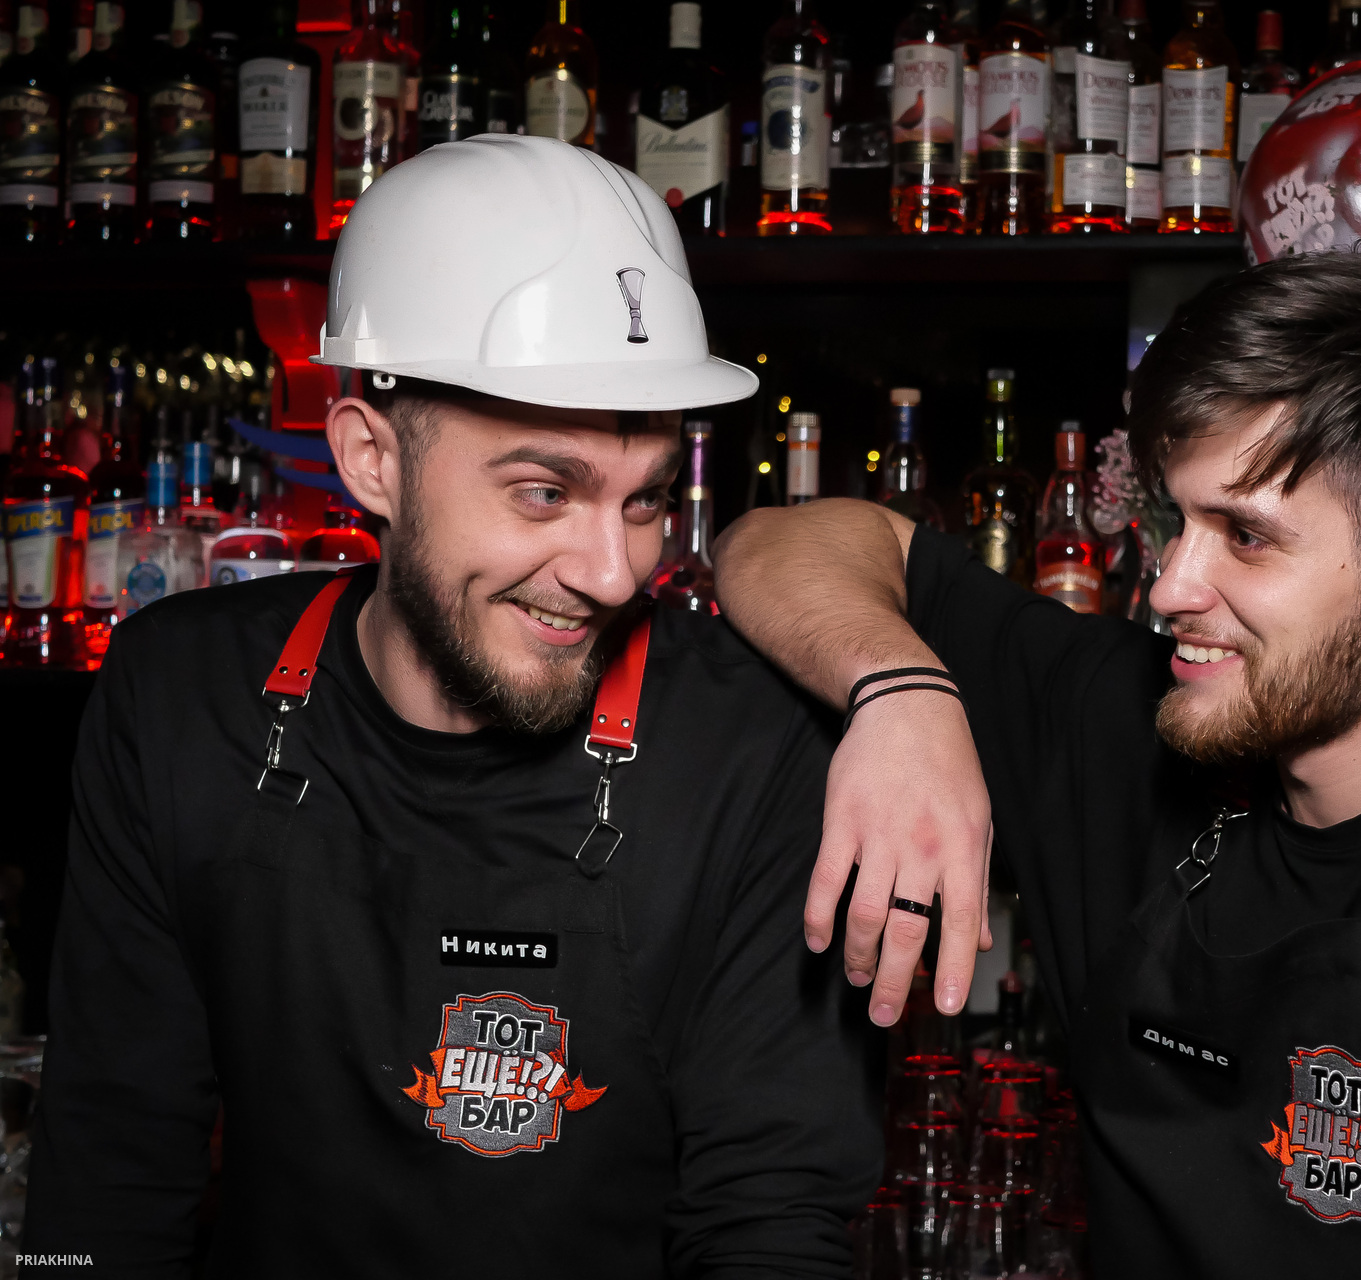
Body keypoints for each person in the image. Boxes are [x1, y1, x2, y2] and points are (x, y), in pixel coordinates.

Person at [713, 251, 1361, 1274]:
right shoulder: (1131, 719)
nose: (1171, 586)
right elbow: (781, 542)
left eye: (1247, 536)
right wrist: (899, 689)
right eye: (1177, 522)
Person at [26, 136, 879, 1275]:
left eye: (645, 501)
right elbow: (108, 1162)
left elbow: (772, 1223)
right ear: (371, 460)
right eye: (544, 491)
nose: (614, 573)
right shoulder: (181, 694)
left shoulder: (751, 748)